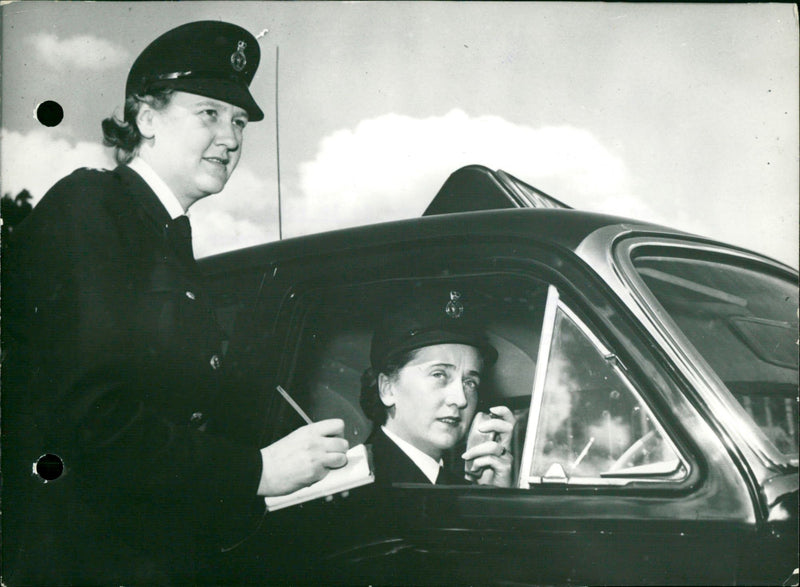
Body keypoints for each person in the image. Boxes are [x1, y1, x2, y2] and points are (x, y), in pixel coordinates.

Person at [1, 21, 348, 584]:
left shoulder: (160, 233)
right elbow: (92, 418)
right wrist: (253, 471)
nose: (231, 138)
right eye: (208, 113)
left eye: (238, 121)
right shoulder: (92, 207)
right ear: (146, 119)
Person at [359, 290, 516, 486]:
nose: (461, 399)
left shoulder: (450, 483)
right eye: (439, 375)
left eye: (470, 382)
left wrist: (490, 497)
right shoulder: (355, 485)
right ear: (387, 389)